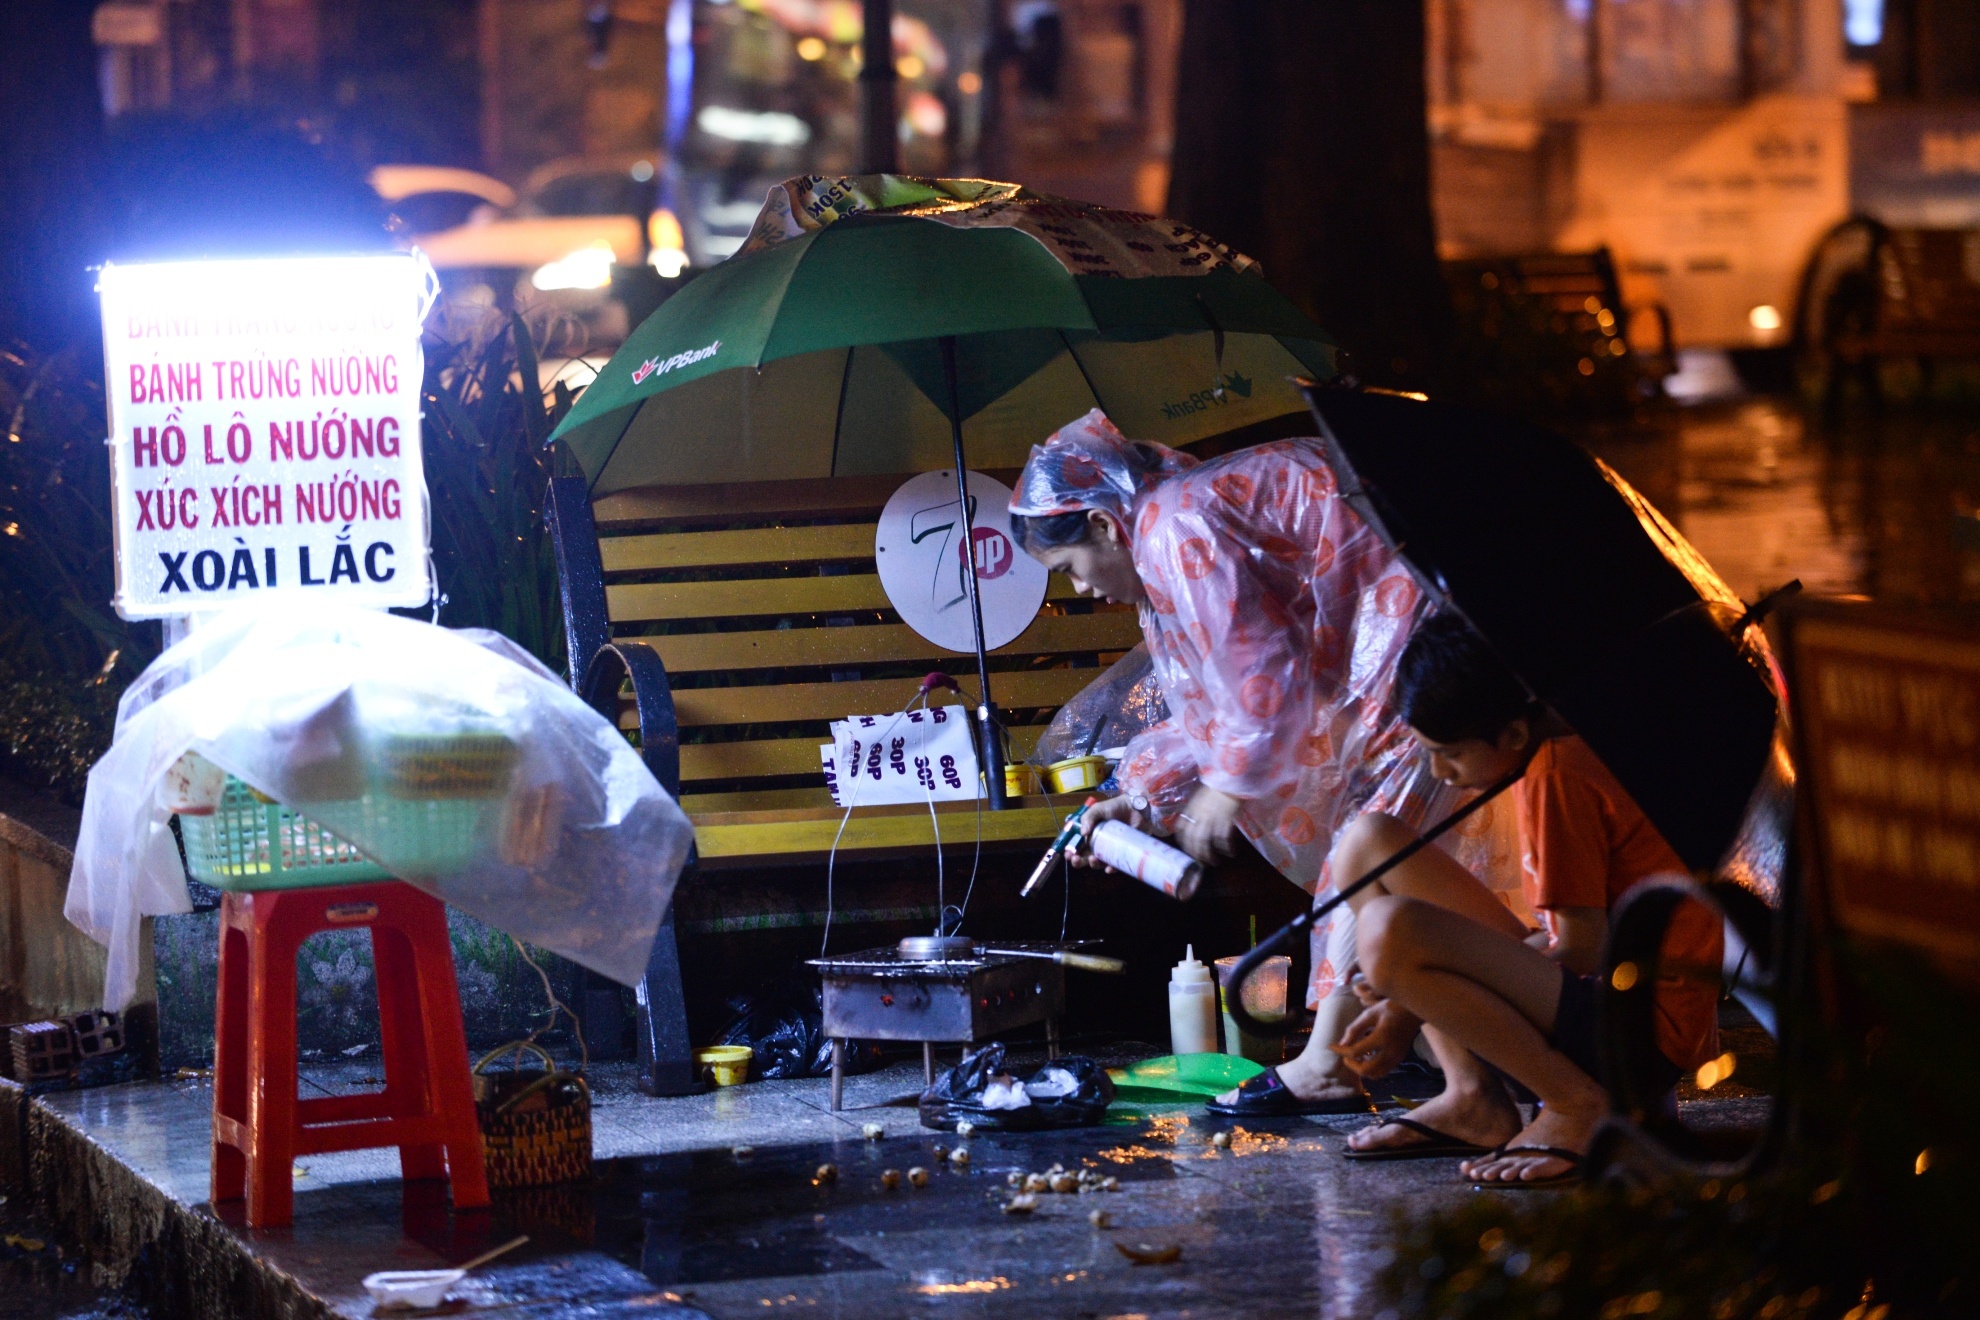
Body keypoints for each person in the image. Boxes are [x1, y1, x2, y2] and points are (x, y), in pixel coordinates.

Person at [1007, 409, 1517, 1116]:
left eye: (1069, 569)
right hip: (1386, 660)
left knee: (1370, 849)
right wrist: (1146, 797)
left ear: (1100, 525)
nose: (1081, 590)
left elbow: (1261, 672)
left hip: (1411, 654)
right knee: (1382, 854)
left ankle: (1337, 1062)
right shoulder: (1167, 523)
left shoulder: (1173, 526)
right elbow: (1216, 699)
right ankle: (1441, 1061)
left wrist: (1227, 785)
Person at [1330, 612, 1722, 1185]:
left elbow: (1585, 950)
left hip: (1640, 1036)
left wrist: (1410, 1000)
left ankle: (1576, 1104)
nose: (1440, 772)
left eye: (1451, 754)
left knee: (1391, 933)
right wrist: (1416, 987)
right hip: (1598, 1001)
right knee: (1368, 844)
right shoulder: (1553, 748)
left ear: (1512, 733)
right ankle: (1471, 1097)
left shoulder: (1558, 773)